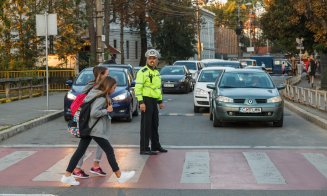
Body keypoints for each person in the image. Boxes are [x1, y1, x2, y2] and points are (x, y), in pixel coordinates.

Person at [61, 76, 135, 186]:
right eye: (114, 87)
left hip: (89, 127)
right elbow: (94, 113)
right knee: (109, 150)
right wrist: (107, 110)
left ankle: (67, 176)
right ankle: (120, 176)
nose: (114, 90)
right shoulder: (101, 98)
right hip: (95, 129)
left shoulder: (95, 93)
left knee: (79, 152)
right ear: (108, 86)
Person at [71, 66, 109, 178]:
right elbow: (87, 101)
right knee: (84, 144)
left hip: (95, 119)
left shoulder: (101, 85)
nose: (108, 75)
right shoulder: (93, 86)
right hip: (90, 119)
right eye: (107, 73)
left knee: (97, 142)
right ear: (100, 74)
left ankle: (94, 166)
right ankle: (77, 169)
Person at [135, 49, 167, 155]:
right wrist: (141, 102)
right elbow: (138, 88)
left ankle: (155, 145)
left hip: (153, 101)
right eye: (150, 58)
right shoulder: (142, 72)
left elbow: (157, 88)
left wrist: (160, 101)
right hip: (146, 100)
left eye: (154, 58)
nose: (152, 60)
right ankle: (144, 148)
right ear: (147, 60)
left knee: (154, 124)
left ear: (157, 60)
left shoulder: (156, 72)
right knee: (146, 125)